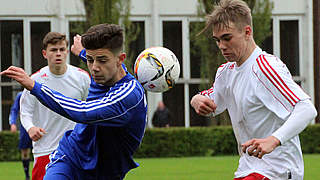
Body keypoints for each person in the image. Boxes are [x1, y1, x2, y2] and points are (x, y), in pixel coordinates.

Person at [1, 23, 147, 180]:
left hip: (106, 172)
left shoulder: (128, 95)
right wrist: (82, 52)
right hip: (70, 157)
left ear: (120, 59)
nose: (94, 68)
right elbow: (99, 58)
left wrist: (34, 86)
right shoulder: (104, 70)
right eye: (90, 60)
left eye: (102, 60)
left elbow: (82, 112)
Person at [190, 0, 317, 179]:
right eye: (217, 40)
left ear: (247, 32)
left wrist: (273, 140)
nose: (221, 46)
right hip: (248, 168)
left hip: (277, 171)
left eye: (227, 38)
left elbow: (306, 109)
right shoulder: (226, 72)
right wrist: (196, 99)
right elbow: (213, 101)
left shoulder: (266, 68)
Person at [19, 32, 91, 180]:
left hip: (76, 150)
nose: (58, 54)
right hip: (45, 150)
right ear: (45, 53)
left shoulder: (82, 77)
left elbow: (90, 111)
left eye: (62, 49)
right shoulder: (34, 80)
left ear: (67, 51)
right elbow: (25, 111)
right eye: (53, 50)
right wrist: (30, 127)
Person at [9, 91, 32, 180]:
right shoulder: (21, 95)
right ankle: (27, 175)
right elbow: (14, 110)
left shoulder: (41, 91)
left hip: (40, 125)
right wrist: (13, 123)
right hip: (25, 126)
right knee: (25, 151)